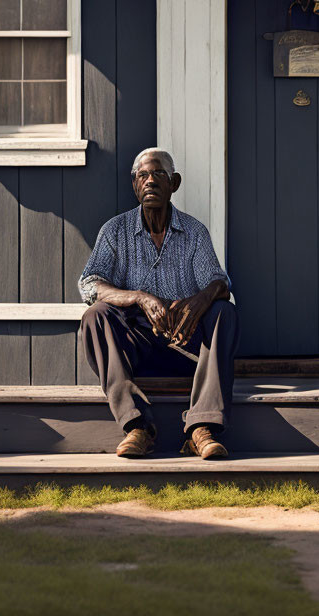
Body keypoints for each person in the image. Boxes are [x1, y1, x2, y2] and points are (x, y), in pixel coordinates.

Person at [79, 147, 239, 459]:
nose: (150, 181)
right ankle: (137, 426)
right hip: (136, 348)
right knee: (95, 315)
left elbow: (221, 282)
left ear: (174, 183)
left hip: (188, 346)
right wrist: (138, 297)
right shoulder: (115, 231)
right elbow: (89, 284)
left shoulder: (194, 232)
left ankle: (201, 428)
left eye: (158, 174)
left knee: (224, 311)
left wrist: (200, 300)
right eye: (142, 175)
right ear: (134, 185)